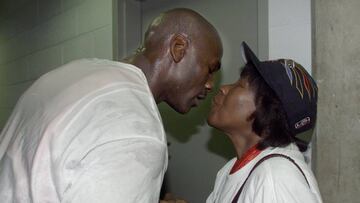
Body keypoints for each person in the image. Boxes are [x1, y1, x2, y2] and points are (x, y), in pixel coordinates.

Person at [0, 8, 222, 202]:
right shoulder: (137, 129)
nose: (210, 84)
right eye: (210, 69)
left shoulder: (69, 73)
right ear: (178, 48)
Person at [206, 42, 322, 203]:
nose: (224, 88)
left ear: (268, 109)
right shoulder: (229, 170)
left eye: (239, 85)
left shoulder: (276, 177)